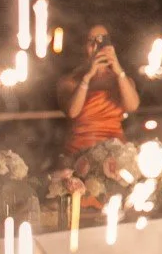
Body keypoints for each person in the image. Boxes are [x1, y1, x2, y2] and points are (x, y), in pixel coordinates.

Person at [57, 24, 140, 156]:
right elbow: (72, 112)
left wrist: (119, 71)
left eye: (102, 40)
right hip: (80, 152)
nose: (96, 46)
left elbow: (132, 106)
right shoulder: (70, 81)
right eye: (91, 41)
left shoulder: (121, 80)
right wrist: (88, 76)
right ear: (83, 46)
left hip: (114, 151)